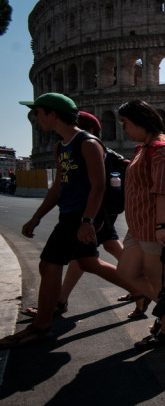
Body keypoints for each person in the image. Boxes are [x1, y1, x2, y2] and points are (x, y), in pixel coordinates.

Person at [1, 94, 134, 349]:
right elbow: (58, 188)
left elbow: (98, 186)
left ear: (53, 114)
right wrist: (37, 216)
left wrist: (87, 221)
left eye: (38, 112)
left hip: (80, 216)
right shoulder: (61, 146)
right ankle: (145, 291)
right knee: (88, 262)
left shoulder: (87, 143)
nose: (35, 118)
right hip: (71, 213)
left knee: (50, 263)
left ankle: (41, 326)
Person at [115, 100, 165, 348]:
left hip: (158, 227)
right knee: (126, 273)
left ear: (140, 122)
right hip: (140, 226)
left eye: (126, 124)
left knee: (159, 279)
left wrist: (162, 226)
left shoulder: (163, 150)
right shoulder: (146, 148)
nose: (124, 129)